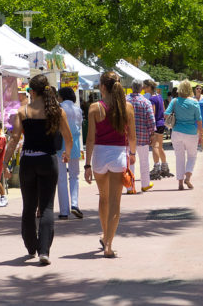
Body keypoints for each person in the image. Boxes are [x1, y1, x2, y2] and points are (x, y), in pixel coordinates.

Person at [3, 74, 72, 266]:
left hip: (28, 162)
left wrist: (5, 163)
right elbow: (69, 137)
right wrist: (66, 153)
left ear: (32, 92)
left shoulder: (23, 111)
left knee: (29, 207)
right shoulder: (57, 112)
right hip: (48, 161)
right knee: (47, 207)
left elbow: (14, 140)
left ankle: (31, 246)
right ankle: (44, 251)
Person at [84, 72, 136, 259]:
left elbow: (90, 139)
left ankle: (105, 234)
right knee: (116, 201)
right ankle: (109, 244)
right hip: (118, 155)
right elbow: (132, 137)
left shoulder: (94, 108)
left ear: (103, 87)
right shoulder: (127, 107)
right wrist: (133, 154)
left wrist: (87, 165)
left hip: (99, 155)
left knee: (103, 199)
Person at [165, 80, 203, 190]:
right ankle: (188, 176)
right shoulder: (195, 102)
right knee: (192, 156)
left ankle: (180, 183)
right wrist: (200, 135)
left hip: (177, 132)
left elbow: (166, 114)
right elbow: (199, 120)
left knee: (179, 157)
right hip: (191, 133)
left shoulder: (175, 101)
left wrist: (174, 118)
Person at [56, 87, 83, 219]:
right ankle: (74, 203)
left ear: (61, 96)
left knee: (61, 178)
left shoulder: (58, 108)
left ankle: (63, 211)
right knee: (74, 176)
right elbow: (79, 127)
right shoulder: (77, 109)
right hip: (75, 145)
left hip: (60, 145)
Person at [126, 80, 156, 194]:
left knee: (129, 162)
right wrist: (152, 134)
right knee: (144, 161)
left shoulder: (125, 101)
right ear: (142, 88)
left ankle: (129, 187)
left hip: (128, 137)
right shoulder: (145, 102)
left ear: (131, 87)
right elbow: (151, 120)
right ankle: (145, 184)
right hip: (143, 137)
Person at [143, 79, 172, 180]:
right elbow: (164, 111)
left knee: (154, 146)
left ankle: (156, 168)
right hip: (161, 124)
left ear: (149, 87)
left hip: (155, 124)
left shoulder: (152, 100)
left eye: (145, 87)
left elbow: (152, 113)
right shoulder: (159, 97)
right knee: (160, 146)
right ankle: (165, 167)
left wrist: (150, 127)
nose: (143, 88)